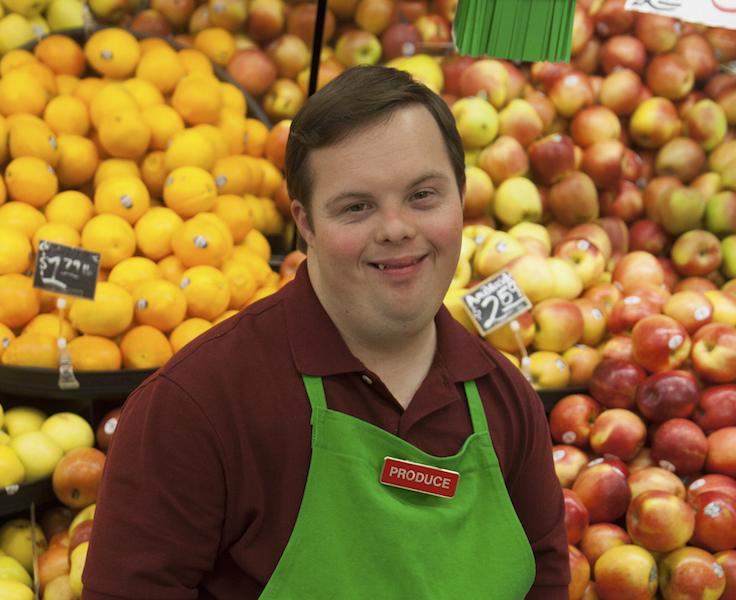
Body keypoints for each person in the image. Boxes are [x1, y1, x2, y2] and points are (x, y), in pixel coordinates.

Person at [82, 65, 571, 600]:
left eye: (423, 196)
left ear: (461, 198)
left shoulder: (508, 401)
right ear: (306, 223)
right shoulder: (196, 406)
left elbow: (544, 583)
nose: (396, 228)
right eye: (356, 207)